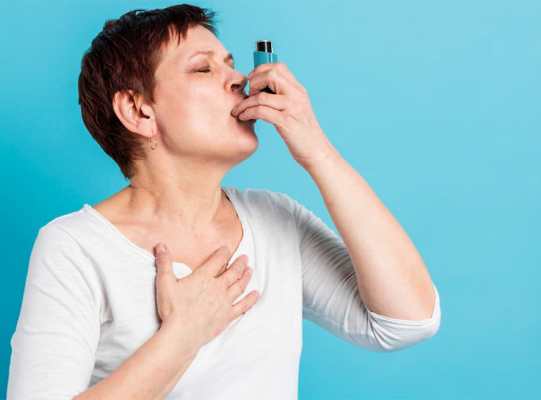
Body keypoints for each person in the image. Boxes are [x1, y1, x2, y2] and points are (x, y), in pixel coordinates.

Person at [7, 4, 442, 399]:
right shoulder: (76, 247)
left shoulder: (275, 219)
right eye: (203, 69)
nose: (238, 80)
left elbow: (408, 320)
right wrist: (183, 337)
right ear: (138, 110)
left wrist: (317, 151)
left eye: (231, 64)